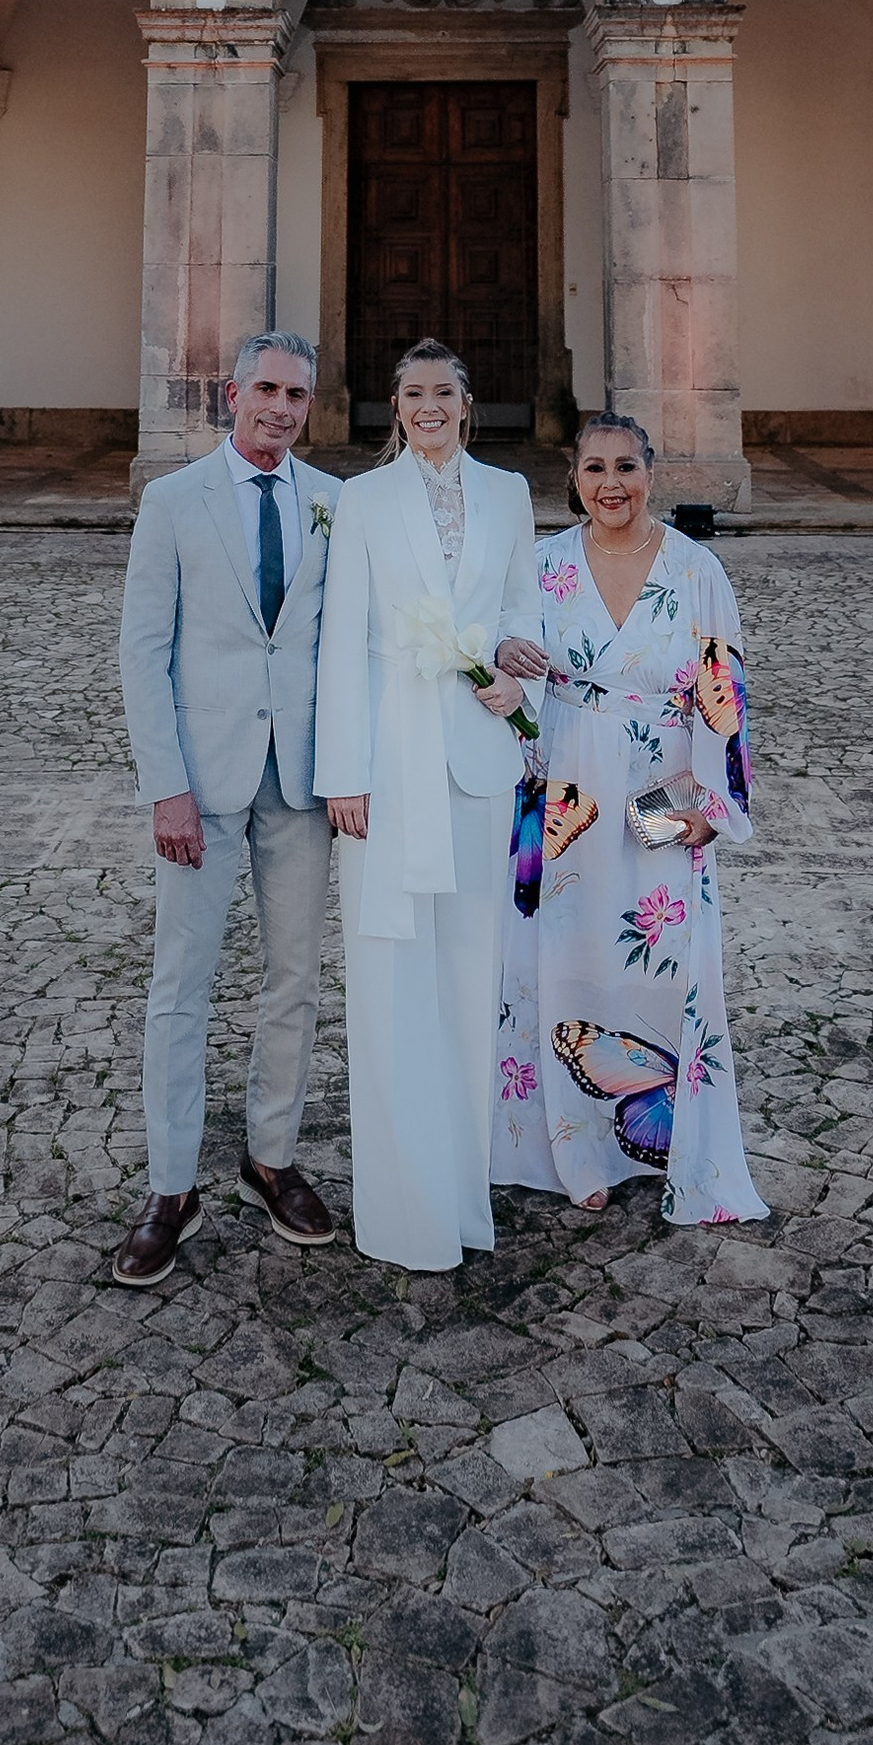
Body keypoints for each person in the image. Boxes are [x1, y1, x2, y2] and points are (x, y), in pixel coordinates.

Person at [492, 410, 767, 1228]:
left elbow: (726, 688)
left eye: (626, 467)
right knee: (556, 964)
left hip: (660, 788)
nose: (611, 485)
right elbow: (505, 659)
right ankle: (566, 1151)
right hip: (561, 786)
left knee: (658, 965)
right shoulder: (539, 565)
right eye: (594, 470)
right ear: (572, 480)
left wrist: (714, 810)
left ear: (652, 472)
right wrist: (506, 661)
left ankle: (663, 1144)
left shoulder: (694, 570)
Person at [112, 332, 342, 1288]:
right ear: (231, 394)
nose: (281, 408)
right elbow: (142, 651)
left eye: (297, 395)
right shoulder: (171, 502)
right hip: (199, 785)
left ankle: (270, 1158)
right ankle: (171, 1188)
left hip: (301, 782)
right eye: (267, 390)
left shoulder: (334, 504)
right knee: (182, 985)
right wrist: (165, 785)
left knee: (292, 977)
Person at [315, 341, 539, 1269]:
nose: (428, 406)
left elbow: (528, 604)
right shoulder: (359, 500)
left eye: (444, 392)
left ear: (467, 401)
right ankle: (402, 1205)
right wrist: (344, 776)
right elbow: (341, 641)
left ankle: (463, 1193)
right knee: (389, 982)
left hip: (478, 764)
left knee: (466, 978)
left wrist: (518, 687)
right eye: (412, 393)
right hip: (389, 765)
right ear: (395, 406)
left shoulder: (509, 494)